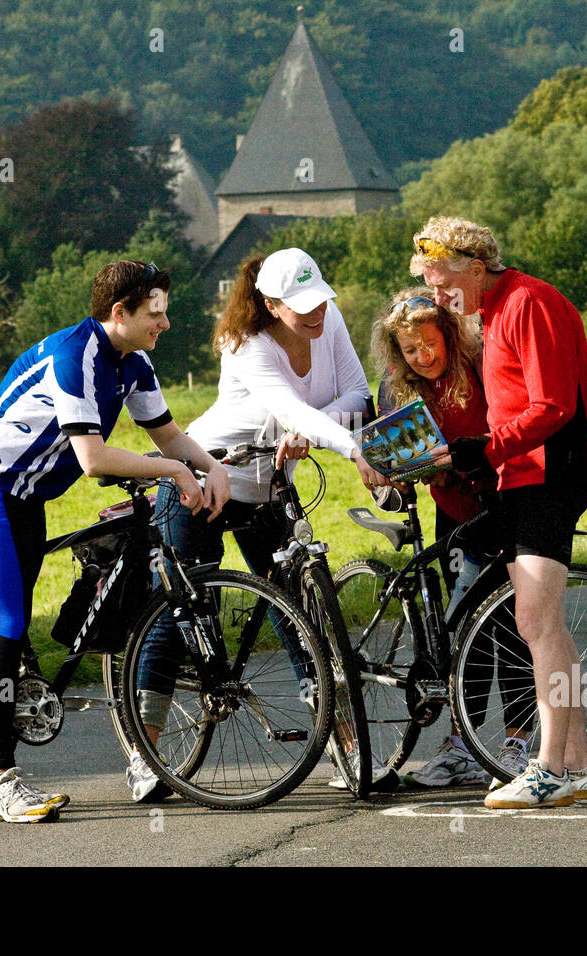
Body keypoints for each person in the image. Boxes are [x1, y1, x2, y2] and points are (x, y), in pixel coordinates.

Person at [0, 259, 230, 822]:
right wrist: (173, 473)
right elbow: (93, 459)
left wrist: (209, 466)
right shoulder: (75, 355)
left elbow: (168, 434)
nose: (165, 324)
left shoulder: (133, 361)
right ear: (118, 313)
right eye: (156, 314)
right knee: (5, 624)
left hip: (25, 500)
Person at [127, 247, 396, 800]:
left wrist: (312, 428)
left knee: (300, 611)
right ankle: (145, 751)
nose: (316, 314)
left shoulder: (328, 316)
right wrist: (340, 441)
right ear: (272, 305)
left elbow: (357, 395)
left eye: (320, 300)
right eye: (301, 307)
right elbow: (294, 408)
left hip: (270, 484)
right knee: (177, 609)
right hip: (205, 476)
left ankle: (345, 743)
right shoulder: (246, 345)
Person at [410, 217, 587, 809]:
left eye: (441, 284)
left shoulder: (530, 303)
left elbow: (550, 405)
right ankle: (578, 763)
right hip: (522, 477)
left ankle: (546, 769)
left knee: (536, 622)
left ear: (474, 265)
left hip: (552, 474)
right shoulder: (493, 314)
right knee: (545, 625)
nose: (438, 298)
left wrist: (485, 449)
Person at [371, 289, 501, 788]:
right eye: (410, 350)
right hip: (452, 513)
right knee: (465, 629)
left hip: (502, 504)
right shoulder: (397, 385)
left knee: (509, 625)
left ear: (449, 333)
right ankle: (462, 745)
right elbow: (395, 448)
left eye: (430, 344)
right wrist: (394, 471)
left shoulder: (483, 366)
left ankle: (514, 744)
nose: (422, 357)